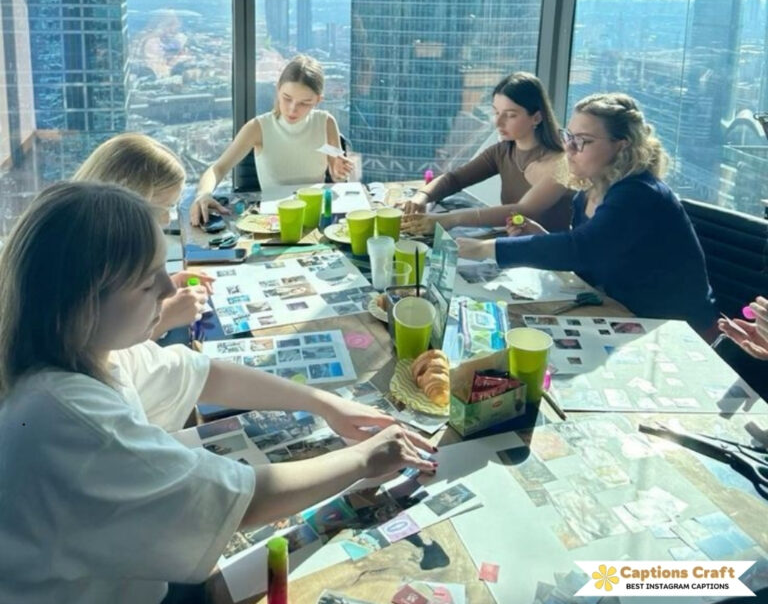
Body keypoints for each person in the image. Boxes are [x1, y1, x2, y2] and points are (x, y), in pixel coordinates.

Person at [0, 182, 435, 603]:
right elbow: (241, 501)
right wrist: (366, 458)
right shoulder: (68, 420)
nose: (170, 288)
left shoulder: (89, 355)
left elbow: (206, 374)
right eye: (148, 282)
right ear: (83, 303)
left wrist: (324, 403)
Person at [456, 93, 718, 336]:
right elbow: (593, 253)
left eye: (584, 141)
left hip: (676, 331)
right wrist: (542, 236)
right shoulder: (590, 190)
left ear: (621, 146)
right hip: (621, 312)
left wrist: (484, 249)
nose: (569, 149)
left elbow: (581, 248)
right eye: (569, 137)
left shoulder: (638, 194)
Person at [74, 133, 213, 339]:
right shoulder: (89, 260)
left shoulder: (93, 235)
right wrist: (165, 317)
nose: (166, 220)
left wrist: (154, 292)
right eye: (162, 209)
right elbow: (96, 354)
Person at [401, 72, 573, 235]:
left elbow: (524, 210)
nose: (498, 122)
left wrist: (450, 219)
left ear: (536, 117)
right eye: (496, 112)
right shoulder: (503, 150)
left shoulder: (560, 163)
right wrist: (422, 196)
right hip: (515, 244)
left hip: (551, 256)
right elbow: (456, 178)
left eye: (510, 115)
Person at [191, 55, 352, 225]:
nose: (292, 109)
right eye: (287, 98)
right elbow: (218, 168)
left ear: (318, 100)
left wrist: (339, 172)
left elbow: (336, 176)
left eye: (304, 103)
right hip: (273, 220)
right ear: (278, 90)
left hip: (315, 218)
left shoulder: (326, 123)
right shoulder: (258, 128)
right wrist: (203, 194)